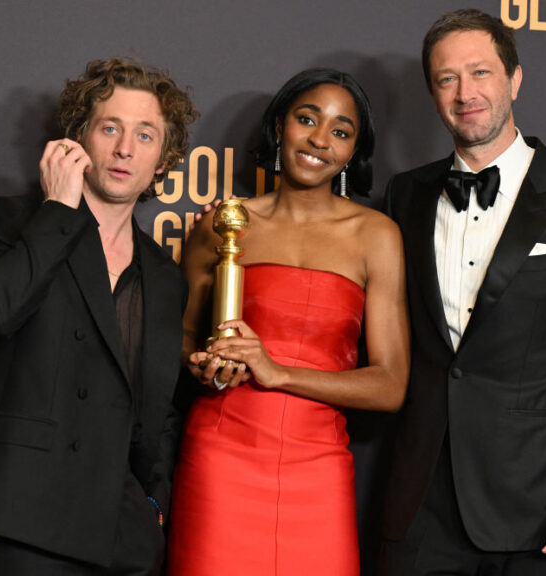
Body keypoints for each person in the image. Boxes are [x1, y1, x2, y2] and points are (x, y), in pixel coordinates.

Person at [380, 9, 546, 576]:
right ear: (432, 92)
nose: (466, 93)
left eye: (481, 73)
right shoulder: (405, 195)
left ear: (514, 79)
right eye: (447, 79)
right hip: (419, 505)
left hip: (539, 506)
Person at [0, 58, 197, 574]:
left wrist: (153, 506)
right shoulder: (11, 220)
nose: (126, 148)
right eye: (111, 128)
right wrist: (58, 210)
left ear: (164, 160)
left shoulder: (164, 273)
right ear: (78, 138)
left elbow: (159, 405)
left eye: (145, 135)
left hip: (121, 535)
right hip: (20, 518)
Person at [168, 68, 410, 576]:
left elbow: (390, 386)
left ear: (353, 151)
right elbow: (179, 339)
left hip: (319, 467)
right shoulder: (223, 224)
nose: (320, 140)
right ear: (280, 125)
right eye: (307, 119)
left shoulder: (376, 236)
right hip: (220, 457)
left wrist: (278, 372)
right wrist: (200, 363)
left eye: (341, 131)